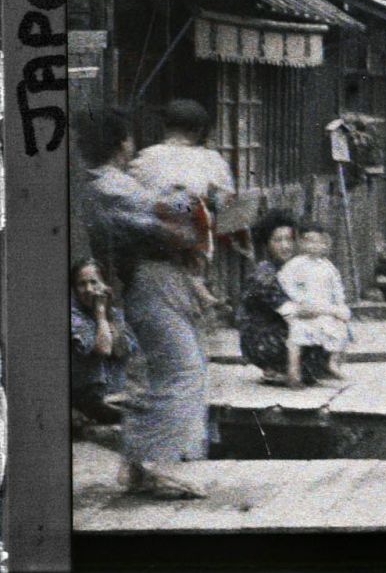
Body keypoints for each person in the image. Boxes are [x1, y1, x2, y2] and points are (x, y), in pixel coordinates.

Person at [75, 106, 210, 500]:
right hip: (149, 278)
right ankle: (156, 464)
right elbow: (163, 218)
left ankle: (142, 463)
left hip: (139, 280)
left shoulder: (101, 182)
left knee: (163, 371)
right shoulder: (110, 183)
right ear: (121, 143)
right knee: (182, 369)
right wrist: (191, 200)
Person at [129, 99, 236, 315]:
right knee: (193, 213)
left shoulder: (146, 157)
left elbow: (133, 194)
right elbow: (226, 198)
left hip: (155, 228)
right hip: (190, 225)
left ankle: (199, 295)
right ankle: (200, 295)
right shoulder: (211, 159)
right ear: (198, 130)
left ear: (166, 127)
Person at [236, 211, 332, 387]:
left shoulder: (293, 267)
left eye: (289, 240)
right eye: (277, 240)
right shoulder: (265, 275)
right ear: (266, 243)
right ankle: (276, 367)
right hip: (262, 338)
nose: (285, 246)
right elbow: (291, 312)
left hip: (282, 327)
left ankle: (290, 368)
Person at [278, 224, 352, 386]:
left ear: (324, 245)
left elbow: (336, 287)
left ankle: (332, 362)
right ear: (301, 244)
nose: (313, 246)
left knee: (340, 327)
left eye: (318, 242)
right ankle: (293, 372)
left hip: (324, 308)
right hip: (303, 308)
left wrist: (339, 304)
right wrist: (298, 299)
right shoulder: (295, 264)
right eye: (309, 242)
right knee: (296, 336)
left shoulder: (327, 267)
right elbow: (286, 283)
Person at [69, 260, 135, 429]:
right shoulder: (72, 316)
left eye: (94, 282)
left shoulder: (114, 314)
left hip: (113, 395)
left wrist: (108, 314)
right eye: (82, 284)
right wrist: (100, 315)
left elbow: (120, 350)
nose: (89, 289)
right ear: (75, 289)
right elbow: (103, 349)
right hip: (86, 400)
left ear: (105, 285)